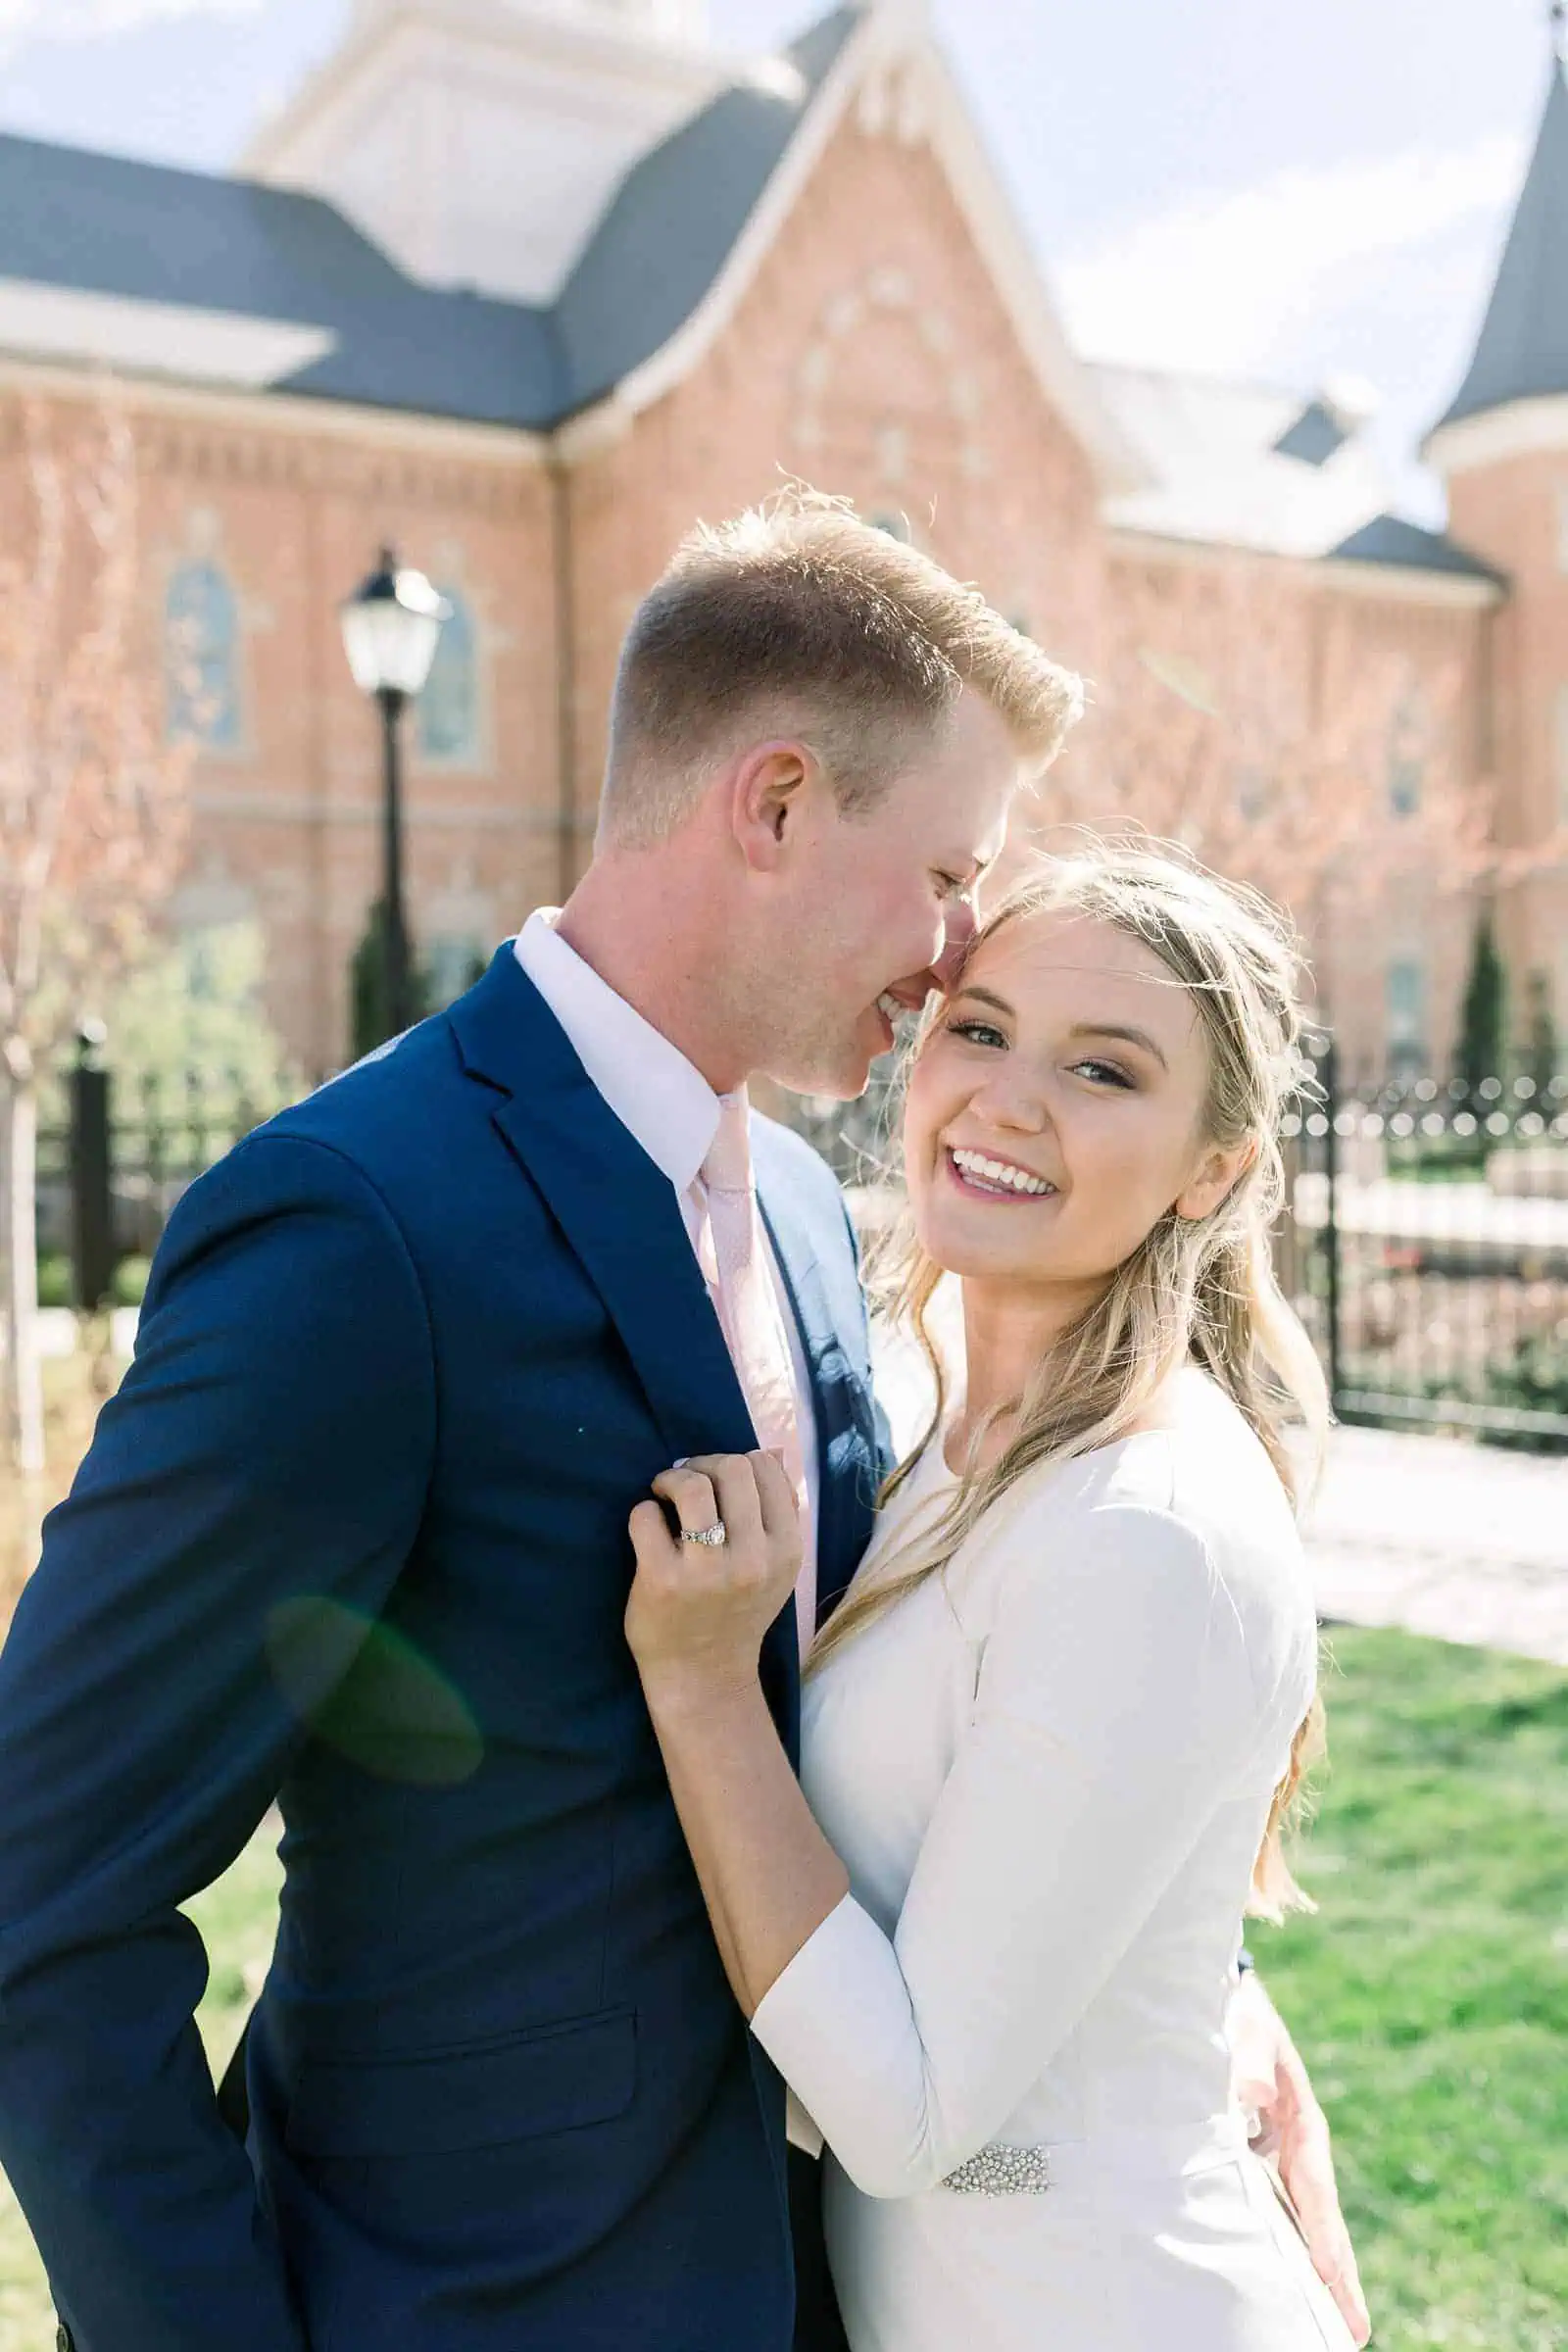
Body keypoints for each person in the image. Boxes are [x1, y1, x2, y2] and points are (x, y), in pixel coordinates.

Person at [0, 493, 1359, 2352]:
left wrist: (1160, 1989)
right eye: (950, 872)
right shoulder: (356, 1229)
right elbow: (44, 1899)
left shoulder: (809, 1214)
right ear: (778, 804)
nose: (957, 951)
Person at [622, 845, 1373, 2349]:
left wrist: (706, 1694)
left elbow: (910, 2125)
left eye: (1104, 1070)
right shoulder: (933, 1425)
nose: (1009, 1099)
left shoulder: (1145, 1527)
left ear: (1211, 1170)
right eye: (979, 1027)